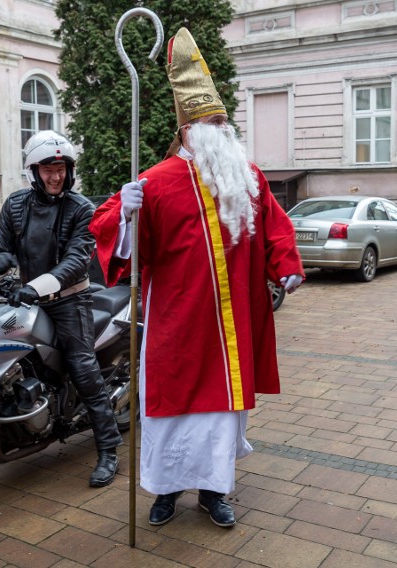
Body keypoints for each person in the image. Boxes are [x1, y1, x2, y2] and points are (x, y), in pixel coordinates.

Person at [89, 28, 305, 528]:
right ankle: (166, 492)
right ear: (188, 129)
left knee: (220, 418)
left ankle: (214, 491)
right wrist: (127, 215)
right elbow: (111, 236)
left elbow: (275, 224)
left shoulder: (243, 176)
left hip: (231, 330)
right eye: (211, 121)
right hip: (177, 326)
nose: (221, 127)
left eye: (224, 120)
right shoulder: (155, 182)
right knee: (170, 415)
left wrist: (287, 266)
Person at [0, 130, 123, 487]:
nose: (56, 175)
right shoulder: (15, 204)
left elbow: (77, 261)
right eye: (48, 168)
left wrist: (37, 286)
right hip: (25, 297)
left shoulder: (81, 208)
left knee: (82, 366)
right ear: (33, 171)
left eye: (61, 168)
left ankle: (108, 449)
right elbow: (0, 247)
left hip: (69, 299)